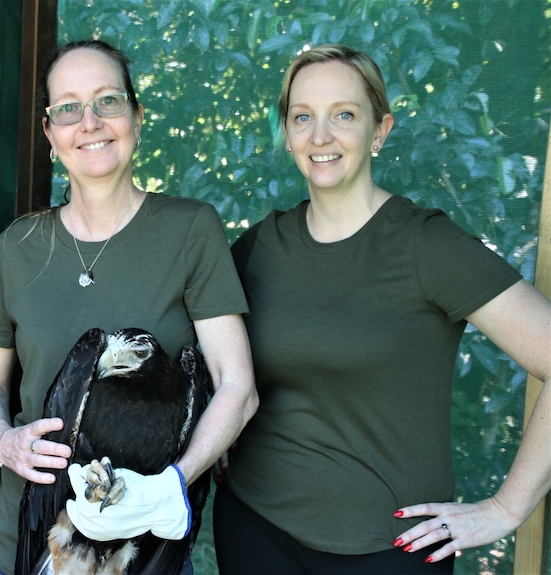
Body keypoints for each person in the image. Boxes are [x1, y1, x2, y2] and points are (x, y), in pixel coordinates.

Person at [213, 43, 551, 575]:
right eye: (303, 117)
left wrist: (508, 508)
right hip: (256, 529)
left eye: (343, 115)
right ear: (288, 134)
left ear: (380, 130)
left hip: (391, 552)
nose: (320, 136)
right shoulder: (257, 249)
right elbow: (217, 369)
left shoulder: (427, 246)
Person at [0, 39, 258, 575]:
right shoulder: (18, 246)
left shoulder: (190, 230)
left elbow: (237, 386)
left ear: (137, 117)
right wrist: (5, 441)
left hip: (142, 557)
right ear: (51, 135)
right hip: (21, 548)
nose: (91, 121)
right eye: (69, 108)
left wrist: (175, 483)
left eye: (108, 101)